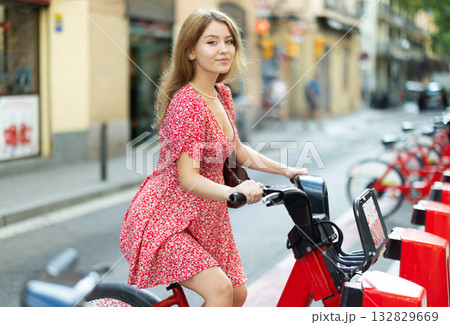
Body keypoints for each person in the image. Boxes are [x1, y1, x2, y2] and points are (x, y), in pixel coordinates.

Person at [119, 8, 308, 307]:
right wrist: (235, 190)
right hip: (167, 217)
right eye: (212, 42)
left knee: (237, 293)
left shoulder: (221, 94)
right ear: (191, 51)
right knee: (220, 291)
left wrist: (287, 170)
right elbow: (188, 177)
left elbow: (239, 151)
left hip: (207, 214)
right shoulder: (187, 104)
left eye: (229, 41)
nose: (224, 49)